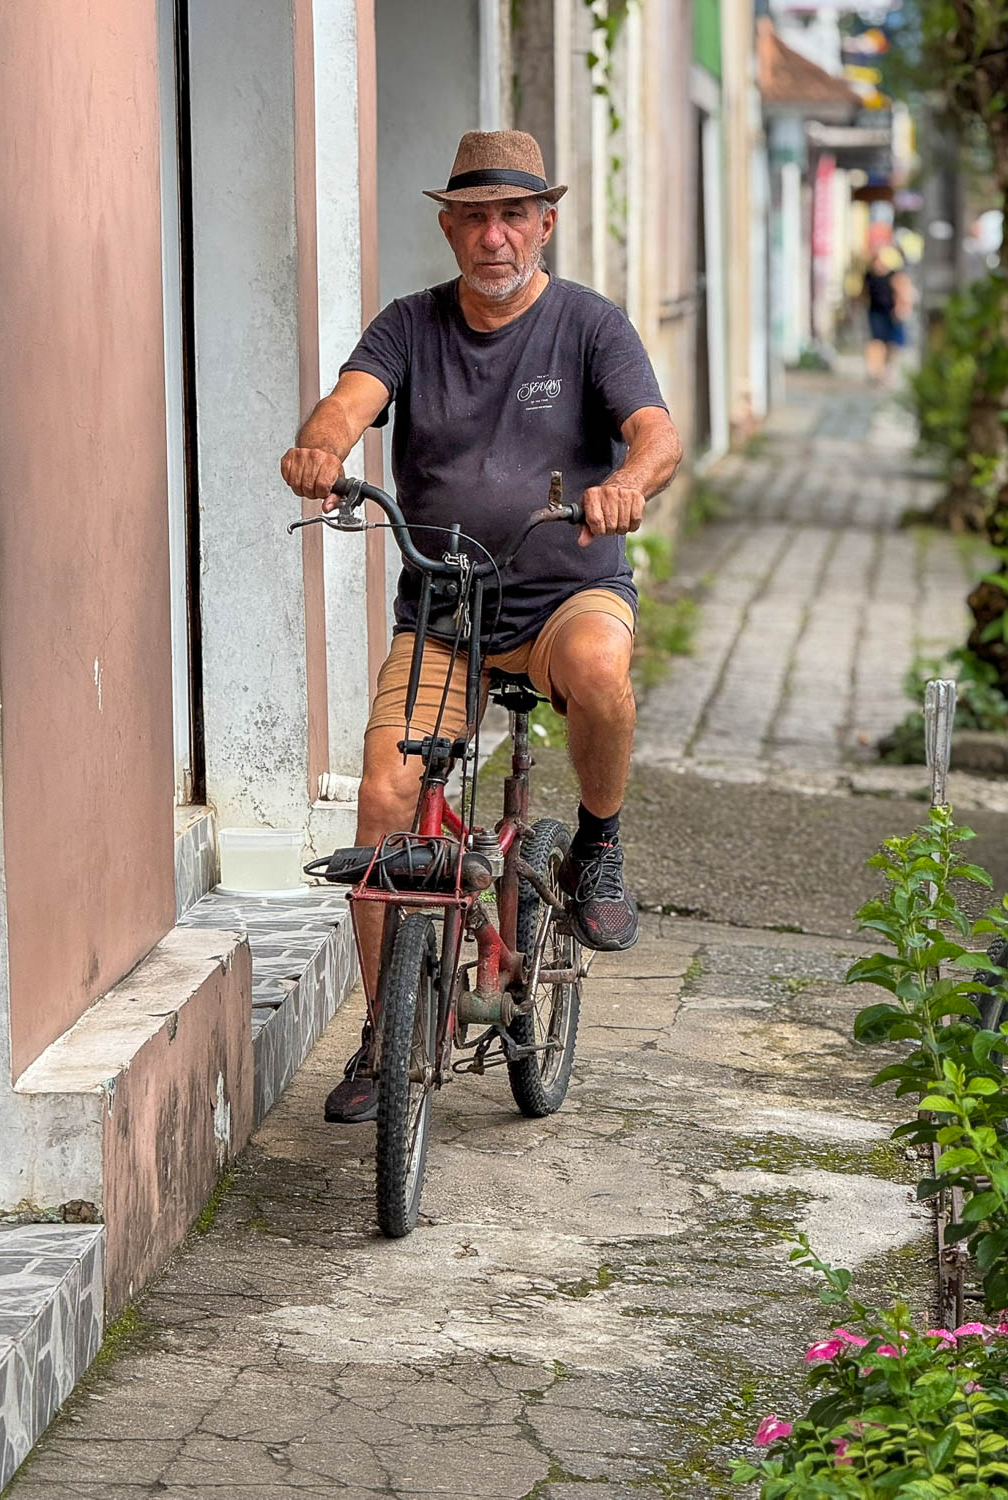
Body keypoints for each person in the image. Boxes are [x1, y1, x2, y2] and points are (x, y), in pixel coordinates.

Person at [280, 130, 682, 1122]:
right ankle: (383, 1038)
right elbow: (348, 402)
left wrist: (627, 486)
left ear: (545, 222)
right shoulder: (410, 328)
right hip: (447, 607)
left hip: (561, 592)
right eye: (475, 217)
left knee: (600, 672)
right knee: (383, 799)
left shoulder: (590, 326)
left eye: (514, 216)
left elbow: (655, 433)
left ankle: (598, 843)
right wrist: (320, 449)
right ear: (449, 226)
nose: (494, 237)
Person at [863, 244, 913, 384]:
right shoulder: (870, 275)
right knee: (876, 342)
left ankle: (886, 371)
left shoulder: (894, 275)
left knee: (890, 344)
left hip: (891, 313)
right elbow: (865, 293)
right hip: (875, 311)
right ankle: (875, 371)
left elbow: (902, 292)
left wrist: (902, 308)